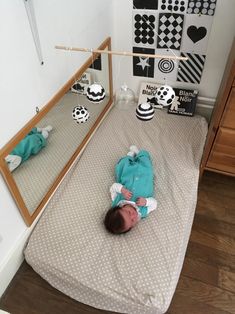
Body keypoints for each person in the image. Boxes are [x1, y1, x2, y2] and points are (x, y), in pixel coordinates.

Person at [104, 145, 157, 234]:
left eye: (129, 213)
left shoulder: (117, 200)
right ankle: (140, 154)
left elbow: (113, 187)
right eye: (132, 221)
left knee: (121, 166)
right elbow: (154, 204)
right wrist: (146, 202)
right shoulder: (142, 211)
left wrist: (122, 190)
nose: (133, 215)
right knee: (147, 166)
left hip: (129, 174)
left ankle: (130, 155)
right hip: (144, 177)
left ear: (120, 207)